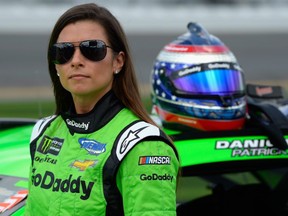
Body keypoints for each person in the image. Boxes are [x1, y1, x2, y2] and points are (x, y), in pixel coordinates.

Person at [24, 3, 179, 216]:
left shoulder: (144, 145)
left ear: (118, 61)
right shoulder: (43, 133)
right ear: (55, 65)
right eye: (64, 52)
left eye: (92, 49)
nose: (76, 61)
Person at [151, 22, 247, 132]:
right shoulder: (151, 142)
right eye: (201, 85)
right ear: (165, 85)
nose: (225, 99)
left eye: (228, 83)